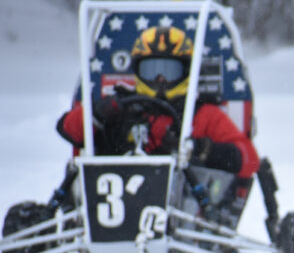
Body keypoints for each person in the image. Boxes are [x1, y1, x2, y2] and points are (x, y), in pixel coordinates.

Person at [54, 26, 259, 219]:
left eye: (170, 71)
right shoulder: (119, 108)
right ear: (137, 71)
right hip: (108, 211)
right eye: (152, 70)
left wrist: (203, 150)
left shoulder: (203, 115)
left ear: (186, 71)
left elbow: (249, 160)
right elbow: (68, 130)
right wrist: (96, 113)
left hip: (185, 219)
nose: (160, 79)